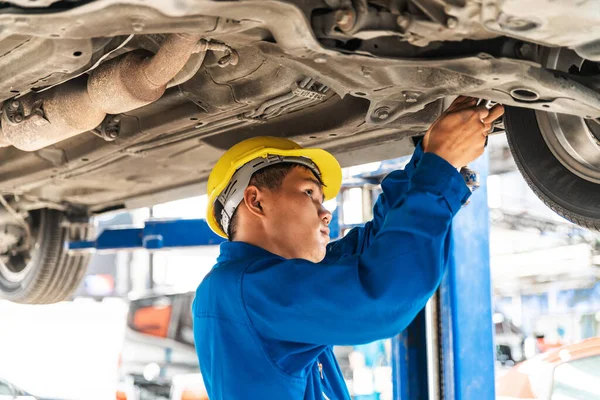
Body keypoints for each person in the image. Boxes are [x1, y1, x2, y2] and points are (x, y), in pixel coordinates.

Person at [193, 96, 504, 399]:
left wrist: (430, 158)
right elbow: (379, 297)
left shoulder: (249, 286)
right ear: (256, 200)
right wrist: (441, 164)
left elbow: (370, 248)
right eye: (309, 193)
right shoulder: (242, 290)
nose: (326, 212)